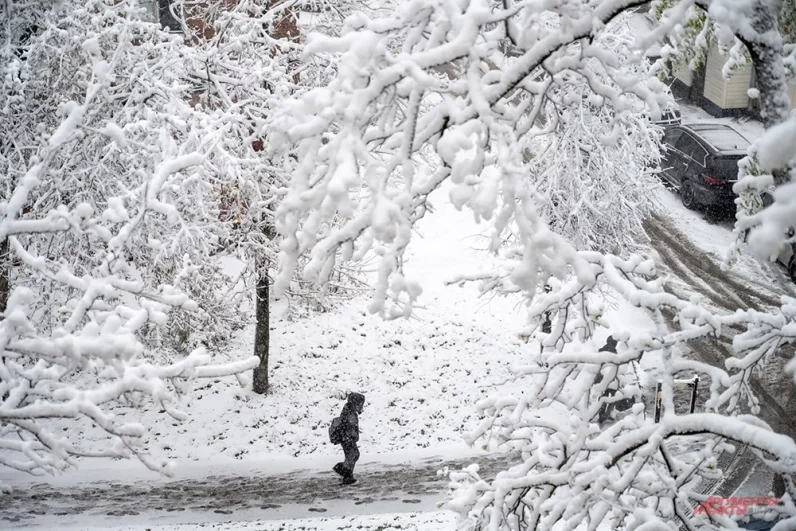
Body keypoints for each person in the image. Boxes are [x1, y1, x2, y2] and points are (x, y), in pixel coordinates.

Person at [332, 392, 365, 485]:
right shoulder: (349, 412)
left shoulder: (350, 411)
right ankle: (345, 473)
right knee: (352, 455)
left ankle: (345, 471)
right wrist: (350, 436)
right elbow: (349, 425)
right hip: (347, 438)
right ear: (354, 403)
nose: (361, 406)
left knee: (354, 455)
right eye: (360, 404)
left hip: (348, 437)